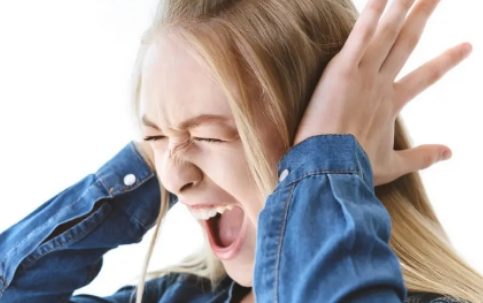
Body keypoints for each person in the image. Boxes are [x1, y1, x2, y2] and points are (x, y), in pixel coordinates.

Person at [0, 0, 482, 302]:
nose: (173, 179)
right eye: (154, 140)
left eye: (210, 136)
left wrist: (326, 166)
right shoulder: (173, 296)